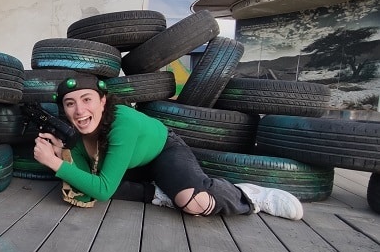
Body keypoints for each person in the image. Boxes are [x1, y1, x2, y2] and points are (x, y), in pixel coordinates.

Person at [33, 74, 303, 220]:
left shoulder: (121, 123)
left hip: (163, 152)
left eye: (87, 99)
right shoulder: (79, 134)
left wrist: (54, 163)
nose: (79, 110)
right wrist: (62, 153)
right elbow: (84, 194)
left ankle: (248, 197)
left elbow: (102, 191)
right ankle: (161, 194)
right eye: (70, 103)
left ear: (103, 102)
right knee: (92, 183)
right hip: (133, 165)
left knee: (194, 204)